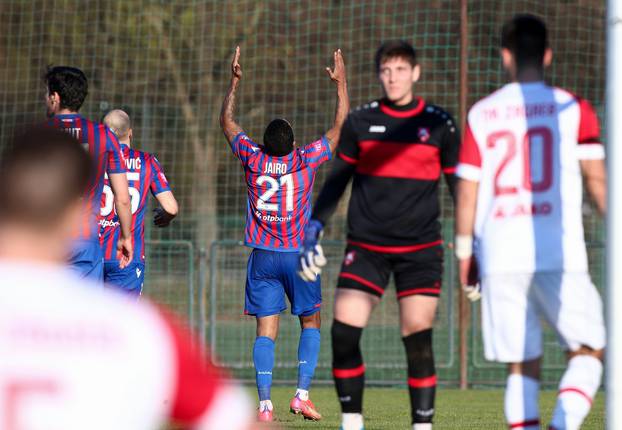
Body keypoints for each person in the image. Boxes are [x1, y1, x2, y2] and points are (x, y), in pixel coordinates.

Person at [0, 126, 254, 430]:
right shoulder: (144, 329)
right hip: (125, 257)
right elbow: (235, 420)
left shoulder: (94, 159)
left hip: (95, 255)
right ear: (78, 215)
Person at [454, 15, 606, 430]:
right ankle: (563, 422)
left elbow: (466, 192)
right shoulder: (573, 108)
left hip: (500, 254)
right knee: (589, 351)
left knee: (522, 366)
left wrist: (465, 255)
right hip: (560, 251)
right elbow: (597, 180)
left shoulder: (481, 114)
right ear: (548, 54)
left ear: (505, 57)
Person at [299, 40, 460, 430]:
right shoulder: (360, 122)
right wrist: (313, 227)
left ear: (415, 73)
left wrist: (475, 239)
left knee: (417, 338)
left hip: (421, 250)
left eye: (401, 70)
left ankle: (423, 425)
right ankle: (352, 422)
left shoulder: (440, 123)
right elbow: (337, 183)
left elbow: (460, 187)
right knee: (342, 334)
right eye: (386, 71)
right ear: (379, 75)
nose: (393, 77)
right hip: (367, 248)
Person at [220, 46, 349, 422]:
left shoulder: (251, 157)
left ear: (263, 144)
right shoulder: (303, 161)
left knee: (266, 329)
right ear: (293, 144)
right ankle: (301, 394)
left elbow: (227, 123)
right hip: (298, 255)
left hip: (262, 257)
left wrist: (234, 82)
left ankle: (263, 406)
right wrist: (341, 86)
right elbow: (339, 131)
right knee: (310, 321)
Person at [44, 66, 133, 280]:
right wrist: (126, 236)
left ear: (55, 97)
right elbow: (122, 198)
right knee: (83, 312)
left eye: (46, 94)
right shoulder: (103, 136)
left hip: (45, 241)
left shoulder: (37, 134)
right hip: (84, 240)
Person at [100, 109, 178, 295]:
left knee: (85, 321)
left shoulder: (92, 160)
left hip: (91, 253)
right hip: (126, 256)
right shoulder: (147, 162)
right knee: (122, 322)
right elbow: (171, 207)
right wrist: (165, 217)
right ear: (130, 132)